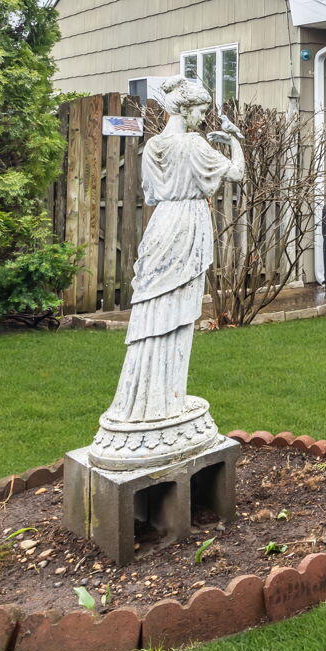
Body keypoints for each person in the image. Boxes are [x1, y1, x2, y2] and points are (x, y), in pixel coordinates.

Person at [89, 76, 245, 469]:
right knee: (176, 307)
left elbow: (152, 193)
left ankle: (150, 397)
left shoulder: (154, 146)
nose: (203, 117)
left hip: (161, 224)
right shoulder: (194, 144)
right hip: (188, 222)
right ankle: (164, 399)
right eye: (201, 110)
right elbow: (237, 174)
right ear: (187, 109)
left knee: (154, 304)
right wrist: (235, 141)